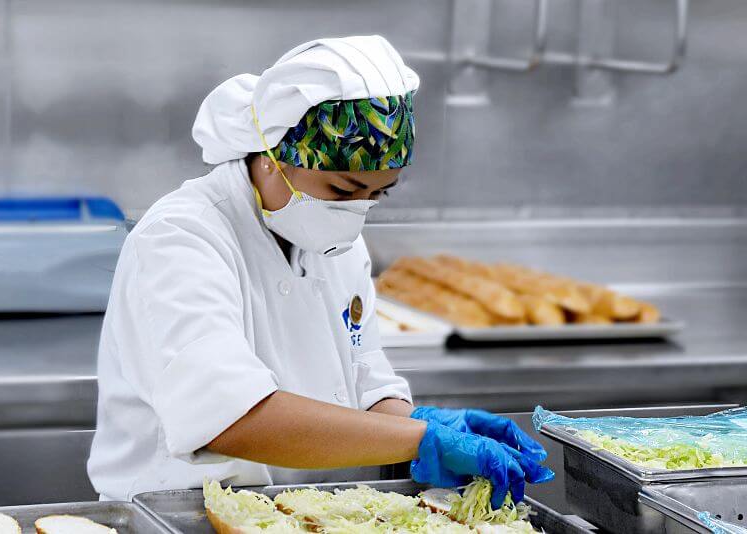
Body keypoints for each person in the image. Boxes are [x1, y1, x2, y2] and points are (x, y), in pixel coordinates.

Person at [87, 35, 553, 507]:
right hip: (179, 513)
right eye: (341, 188)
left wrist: (415, 422)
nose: (356, 211)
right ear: (272, 157)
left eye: (379, 193)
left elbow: (364, 375)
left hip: (305, 507)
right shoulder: (182, 238)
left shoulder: (334, 237)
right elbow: (229, 419)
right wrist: (414, 439)